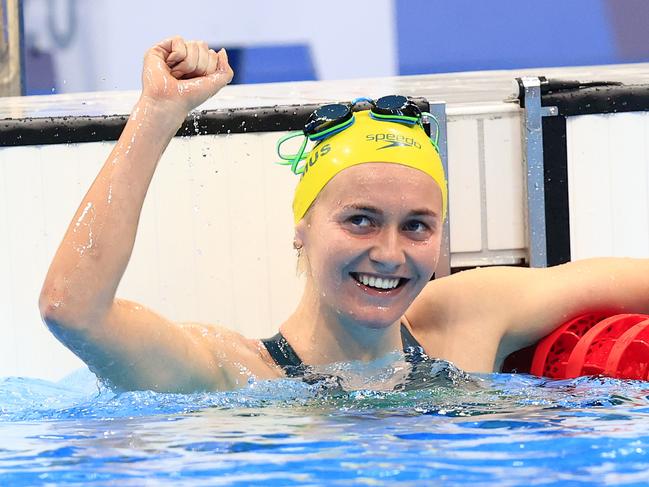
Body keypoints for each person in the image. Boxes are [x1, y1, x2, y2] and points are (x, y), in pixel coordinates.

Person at [39, 37, 649, 393]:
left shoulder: (465, 320)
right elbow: (73, 310)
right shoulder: (235, 374)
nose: (389, 252)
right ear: (302, 228)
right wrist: (157, 114)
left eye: (416, 225)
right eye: (359, 219)